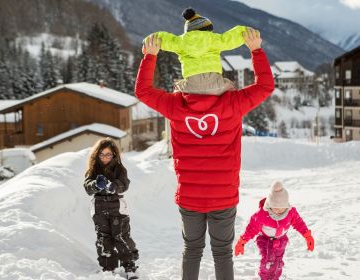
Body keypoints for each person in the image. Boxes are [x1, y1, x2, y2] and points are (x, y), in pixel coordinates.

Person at [135, 25, 274, 279]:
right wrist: (256, 51)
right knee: (222, 253)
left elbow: (142, 91)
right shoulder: (233, 102)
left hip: (190, 196)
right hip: (224, 195)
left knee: (192, 250)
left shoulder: (176, 105)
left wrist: (150, 56)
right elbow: (265, 86)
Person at [144, 7, 249, 96]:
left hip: (191, 87)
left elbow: (164, 38)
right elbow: (230, 38)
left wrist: (146, 43)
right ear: (208, 29)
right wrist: (249, 33)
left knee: (177, 86)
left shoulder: (181, 42)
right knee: (231, 85)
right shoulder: (214, 39)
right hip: (217, 86)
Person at [234, 181, 315, 280]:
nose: (278, 211)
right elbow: (251, 228)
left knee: (278, 262)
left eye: (281, 208)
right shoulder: (262, 214)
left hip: (281, 240)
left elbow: (299, 223)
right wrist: (242, 241)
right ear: (270, 204)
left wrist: (307, 236)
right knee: (267, 260)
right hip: (265, 240)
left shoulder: (290, 212)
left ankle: (275, 277)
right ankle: (264, 277)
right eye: (275, 208)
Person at [83, 138, 139, 279]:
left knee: (121, 236)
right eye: (102, 154)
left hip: (117, 207)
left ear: (114, 154)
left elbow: (124, 184)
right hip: (99, 207)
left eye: (108, 154)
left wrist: (113, 186)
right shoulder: (93, 169)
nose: (105, 157)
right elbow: (87, 186)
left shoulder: (120, 169)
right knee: (103, 239)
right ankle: (108, 268)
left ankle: (130, 266)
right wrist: (96, 184)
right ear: (97, 155)